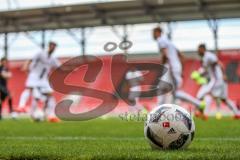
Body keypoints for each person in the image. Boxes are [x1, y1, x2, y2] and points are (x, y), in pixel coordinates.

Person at [153, 27, 205, 112]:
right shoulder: (169, 42)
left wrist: (169, 67)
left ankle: (198, 104)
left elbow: (165, 55)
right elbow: (182, 56)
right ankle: (160, 111)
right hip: (175, 67)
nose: (153, 35)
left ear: (158, 32)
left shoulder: (160, 40)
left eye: (153, 33)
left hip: (170, 67)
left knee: (171, 91)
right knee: (168, 90)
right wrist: (180, 70)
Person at [17, 42, 61, 122]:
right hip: (34, 75)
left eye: (54, 47)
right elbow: (30, 60)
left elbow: (60, 67)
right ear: (49, 46)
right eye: (52, 46)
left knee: (49, 95)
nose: (53, 48)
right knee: (29, 89)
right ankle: (21, 106)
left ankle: (51, 116)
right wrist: (26, 66)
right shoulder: (40, 53)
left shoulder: (52, 59)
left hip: (43, 79)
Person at [196, 44, 240, 119]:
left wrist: (223, 74)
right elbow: (207, 70)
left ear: (202, 49)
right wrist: (200, 74)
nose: (198, 51)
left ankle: (205, 114)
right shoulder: (206, 58)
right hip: (220, 80)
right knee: (224, 99)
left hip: (217, 80)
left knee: (208, 94)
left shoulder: (208, 56)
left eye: (198, 49)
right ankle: (237, 114)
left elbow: (220, 64)